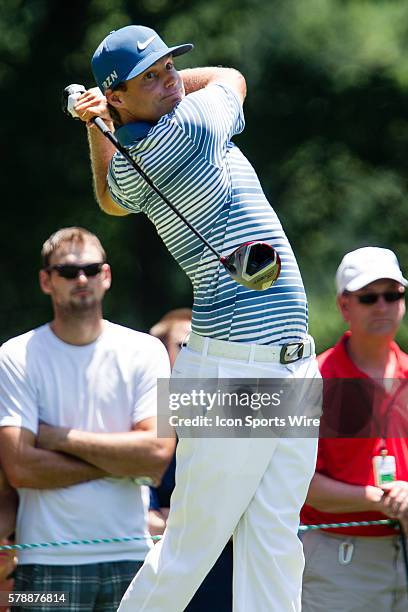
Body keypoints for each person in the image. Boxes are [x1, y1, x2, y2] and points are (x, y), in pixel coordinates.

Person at [74, 25, 321, 612]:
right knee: (191, 547)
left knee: (275, 543)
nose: (168, 84)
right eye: (150, 79)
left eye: (168, 69)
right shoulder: (192, 126)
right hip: (232, 368)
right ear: (117, 98)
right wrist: (120, 111)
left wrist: (97, 123)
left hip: (286, 363)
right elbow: (233, 78)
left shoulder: (134, 160)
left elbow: (110, 195)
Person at [0, 227, 175, 611]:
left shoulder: (146, 351)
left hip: (135, 557)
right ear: (47, 280)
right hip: (42, 563)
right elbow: (21, 468)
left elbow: (158, 455)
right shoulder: (14, 355)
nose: (82, 279)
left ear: (107, 276)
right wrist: (122, 462)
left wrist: (59, 438)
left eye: (92, 269)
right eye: (67, 271)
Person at [301, 246, 408, 612]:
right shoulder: (316, 379)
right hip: (339, 558)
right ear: (344, 306)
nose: (382, 306)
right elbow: (302, 484)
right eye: (369, 297)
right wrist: (386, 501)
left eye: (392, 295)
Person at [149, 308, 234, 611]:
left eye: (203, 345)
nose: (195, 354)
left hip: (226, 574)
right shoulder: (145, 417)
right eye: (184, 345)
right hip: (159, 574)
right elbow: (140, 519)